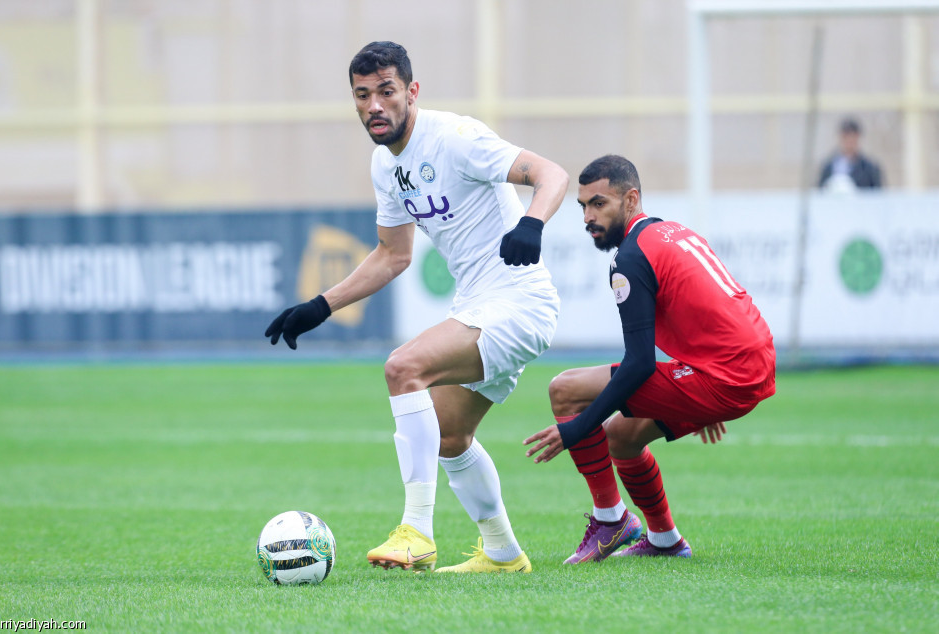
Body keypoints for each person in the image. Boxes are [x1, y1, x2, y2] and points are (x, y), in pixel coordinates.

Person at [265, 41, 568, 573]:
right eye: (363, 95)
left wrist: (532, 224)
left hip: (518, 302)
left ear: (411, 91)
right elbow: (392, 254)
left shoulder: (456, 138)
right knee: (451, 437)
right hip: (479, 303)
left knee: (403, 367)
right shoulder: (385, 165)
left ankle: (417, 532)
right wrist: (320, 305)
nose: (374, 105)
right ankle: (502, 552)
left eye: (386, 91)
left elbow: (552, 175)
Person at [524, 154, 775, 561]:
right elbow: (714, 308)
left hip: (725, 375)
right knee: (622, 436)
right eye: (583, 206)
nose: (588, 216)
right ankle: (665, 540)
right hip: (751, 362)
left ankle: (610, 520)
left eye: (599, 204)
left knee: (565, 390)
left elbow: (639, 363)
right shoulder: (674, 232)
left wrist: (576, 430)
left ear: (631, 200)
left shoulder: (631, 258)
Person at [818, 117, 883, 191]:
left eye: (852, 137)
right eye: (846, 137)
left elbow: (878, 195)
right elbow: (820, 192)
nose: (849, 141)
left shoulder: (869, 169)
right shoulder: (828, 166)